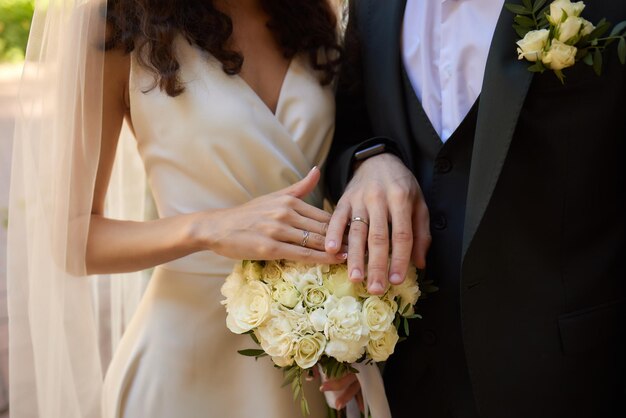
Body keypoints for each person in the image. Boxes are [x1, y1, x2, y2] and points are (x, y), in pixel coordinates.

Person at [8, 0, 344, 417]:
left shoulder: (314, 12)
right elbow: (69, 237)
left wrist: (352, 339)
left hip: (310, 364)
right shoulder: (115, 27)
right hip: (183, 372)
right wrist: (209, 228)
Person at [324, 0, 626, 417]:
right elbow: (349, 126)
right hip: (409, 381)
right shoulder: (372, 7)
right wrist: (370, 159)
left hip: (572, 377)